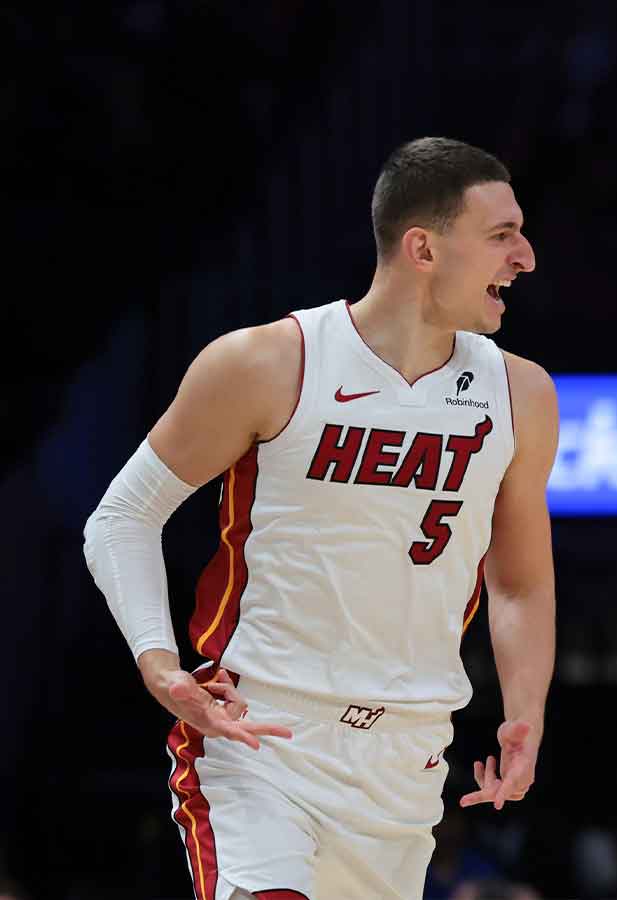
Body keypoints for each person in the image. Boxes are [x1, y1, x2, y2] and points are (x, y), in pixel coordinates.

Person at [83, 136, 556, 900]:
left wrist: (524, 713)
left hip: (408, 757)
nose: (525, 257)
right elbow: (123, 515)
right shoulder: (269, 362)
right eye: (502, 234)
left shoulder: (522, 394)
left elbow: (519, 585)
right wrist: (160, 665)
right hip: (261, 736)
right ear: (424, 248)